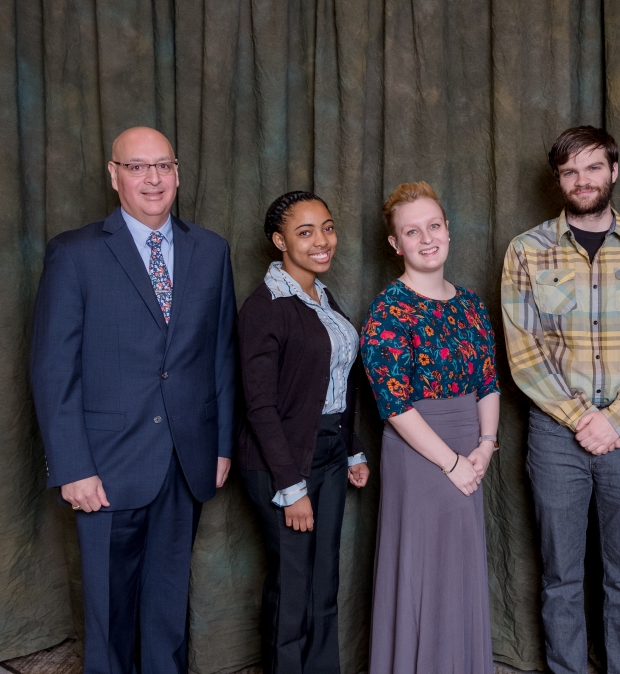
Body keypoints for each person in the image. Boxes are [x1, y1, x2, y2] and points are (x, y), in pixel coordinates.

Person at [29, 126, 237, 674]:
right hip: (105, 465)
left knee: (168, 612)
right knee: (110, 611)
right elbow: (54, 370)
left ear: (177, 172)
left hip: (185, 460)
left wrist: (220, 447)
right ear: (114, 174)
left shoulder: (210, 250)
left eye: (163, 165)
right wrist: (72, 466)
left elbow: (220, 356)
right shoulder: (74, 254)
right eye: (138, 166)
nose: (153, 178)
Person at [501, 125, 620, 674]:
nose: (582, 180)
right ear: (559, 179)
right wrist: (584, 418)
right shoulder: (526, 251)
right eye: (570, 171)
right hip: (556, 437)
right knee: (561, 574)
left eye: (593, 167)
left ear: (613, 171)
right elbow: (525, 352)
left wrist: (618, 419)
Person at [360, 181, 500, 674]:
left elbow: (488, 382)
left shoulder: (471, 305)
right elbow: (393, 404)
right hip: (421, 454)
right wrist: (453, 463)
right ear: (396, 244)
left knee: (459, 571)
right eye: (412, 231)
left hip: (470, 448)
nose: (426, 238)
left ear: (447, 230)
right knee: (423, 570)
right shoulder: (388, 310)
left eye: (433, 226)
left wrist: (484, 448)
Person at [236, 191, 369, 674]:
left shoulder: (322, 296)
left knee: (322, 583)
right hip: (281, 461)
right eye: (305, 232)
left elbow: (334, 382)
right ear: (279, 241)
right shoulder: (265, 307)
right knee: (292, 587)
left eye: (328, 227)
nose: (322, 241)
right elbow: (260, 406)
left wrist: (352, 449)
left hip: (329, 451)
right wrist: (291, 489)